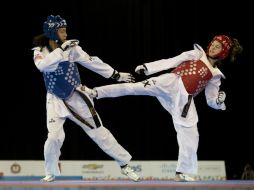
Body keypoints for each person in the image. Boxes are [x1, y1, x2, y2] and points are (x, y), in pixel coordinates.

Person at [81, 35, 243, 181]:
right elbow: (172, 60)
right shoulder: (197, 54)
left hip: (183, 99)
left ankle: (183, 172)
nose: (213, 47)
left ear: (223, 53)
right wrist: (148, 67)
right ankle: (95, 93)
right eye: (213, 44)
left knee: (191, 132)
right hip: (169, 82)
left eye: (218, 47)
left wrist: (220, 101)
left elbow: (211, 101)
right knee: (134, 87)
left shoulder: (215, 75)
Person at [32, 15, 140, 182]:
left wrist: (115, 75)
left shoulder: (73, 49)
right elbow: (42, 66)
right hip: (54, 99)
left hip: (76, 96)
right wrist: (61, 51)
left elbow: (92, 62)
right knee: (53, 137)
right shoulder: (40, 51)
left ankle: (125, 165)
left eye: (65, 30)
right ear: (52, 33)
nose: (65, 34)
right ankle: (51, 172)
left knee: (99, 132)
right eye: (62, 31)